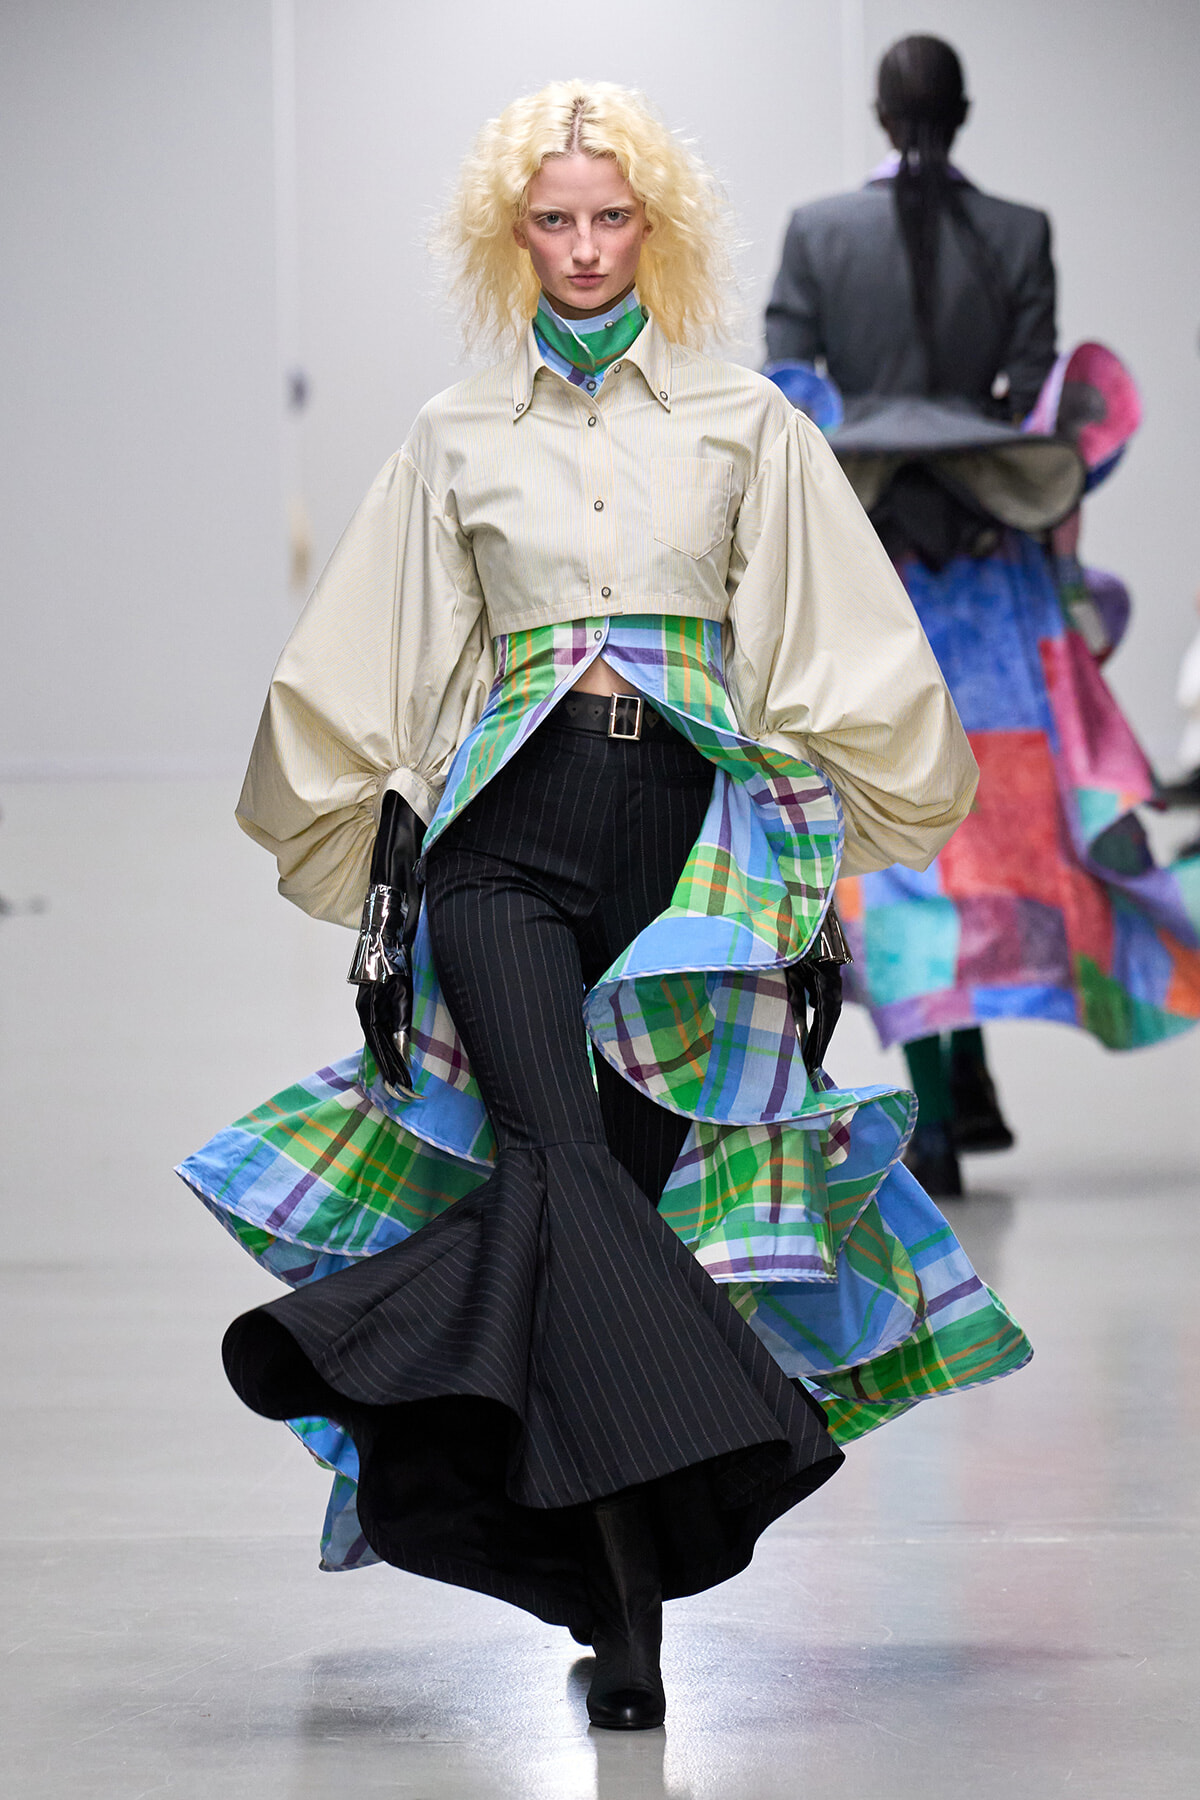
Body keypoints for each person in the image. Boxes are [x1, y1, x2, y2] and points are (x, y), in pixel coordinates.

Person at [180, 80, 1032, 1732]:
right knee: (559, 1165)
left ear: (661, 229)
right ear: (515, 237)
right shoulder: (455, 437)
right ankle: (655, 1594)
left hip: (682, 858)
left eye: (610, 217)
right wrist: (382, 836)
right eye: (553, 220)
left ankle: (486, 1469)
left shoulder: (741, 424)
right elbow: (381, 651)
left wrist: (814, 871)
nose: (582, 248)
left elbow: (822, 652)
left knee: (586, 1233)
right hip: (503, 849)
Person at [765, 35, 1200, 1197]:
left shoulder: (818, 233)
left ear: (876, 107)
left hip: (873, 572)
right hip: (989, 573)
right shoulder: (1019, 231)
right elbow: (1037, 401)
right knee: (988, 831)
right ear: (964, 113)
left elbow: (787, 399)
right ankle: (960, 1086)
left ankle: (941, 1100)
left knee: (893, 837)